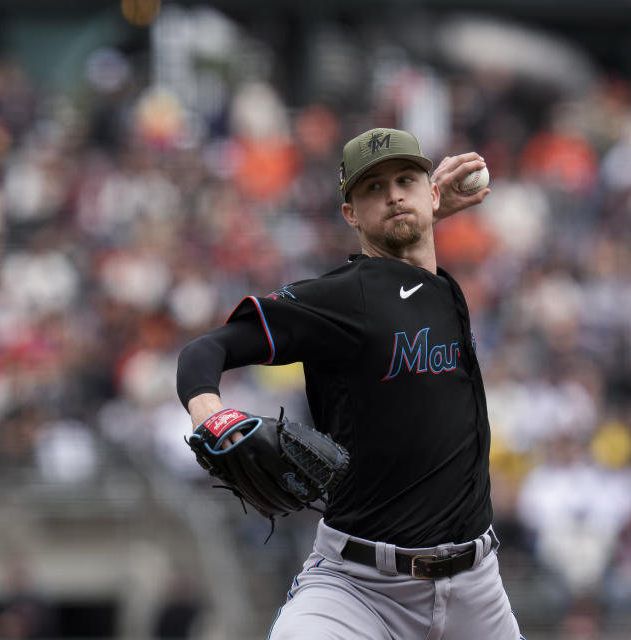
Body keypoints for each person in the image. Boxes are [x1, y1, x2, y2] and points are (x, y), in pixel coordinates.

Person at [176, 128, 524, 639]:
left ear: (430, 192)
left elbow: (408, 275)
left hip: (477, 591)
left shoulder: (441, 287)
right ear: (351, 215)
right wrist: (210, 412)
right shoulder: (344, 299)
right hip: (360, 589)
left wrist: (423, 214)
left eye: (406, 180)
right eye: (373, 189)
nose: (393, 194)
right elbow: (205, 350)